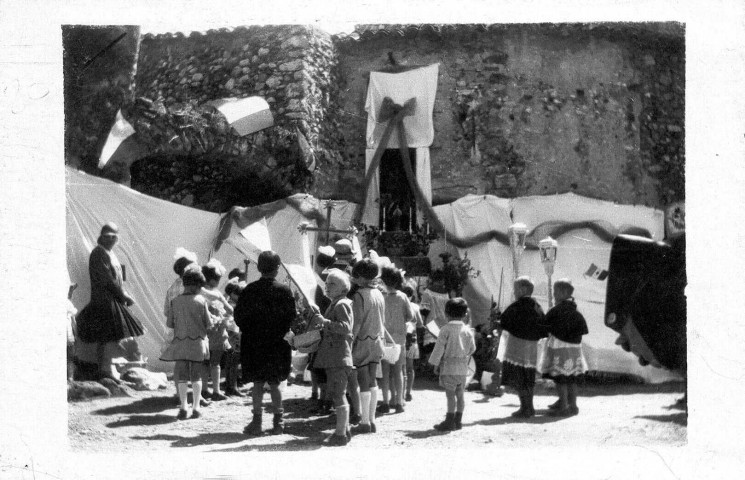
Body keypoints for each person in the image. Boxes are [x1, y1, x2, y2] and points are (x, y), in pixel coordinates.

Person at [234, 251, 297, 436]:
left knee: (258, 383)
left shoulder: (249, 290)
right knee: (275, 383)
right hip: (277, 344)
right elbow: (291, 316)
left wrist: (251, 330)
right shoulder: (285, 290)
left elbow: (239, 316)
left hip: (254, 343)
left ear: (258, 267)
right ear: (278, 268)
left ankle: (257, 422)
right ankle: (279, 422)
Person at [76, 222, 145, 381]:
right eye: (107, 236)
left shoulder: (110, 254)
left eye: (114, 237)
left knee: (110, 337)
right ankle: (105, 371)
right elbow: (107, 279)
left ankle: (107, 370)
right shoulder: (98, 253)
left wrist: (123, 294)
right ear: (101, 237)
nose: (110, 240)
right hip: (104, 301)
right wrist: (123, 296)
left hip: (112, 300)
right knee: (106, 337)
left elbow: (118, 278)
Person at [308, 269, 355, 446]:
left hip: (338, 357)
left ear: (344, 288)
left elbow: (345, 327)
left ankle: (340, 434)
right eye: (326, 283)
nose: (327, 287)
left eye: (332, 284)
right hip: (335, 357)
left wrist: (325, 322)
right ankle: (344, 430)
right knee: (338, 393)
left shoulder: (341, 304)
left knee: (338, 394)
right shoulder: (336, 303)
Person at [160, 265, 212, 420]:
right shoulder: (201, 301)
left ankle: (183, 407)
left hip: (180, 342)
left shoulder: (175, 302)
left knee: (182, 374)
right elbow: (208, 324)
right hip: (197, 342)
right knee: (196, 375)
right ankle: (196, 407)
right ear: (197, 285)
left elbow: (170, 324)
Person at [499, 276, 547, 418]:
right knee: (528, 377)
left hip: (517, 346)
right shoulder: (537, 306)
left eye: (515, 289)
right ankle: (529, 407)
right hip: (531, 347)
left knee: (519, 377)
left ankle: (525, 408)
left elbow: (504, 320)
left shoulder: (517, 306)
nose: (514, 293)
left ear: (523, 289)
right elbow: (544, 326)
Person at [539, 279, 589, 417]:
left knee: (560, 378)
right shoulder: (575, 310)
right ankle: (572, 405)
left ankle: (563, 406)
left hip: (560, 349)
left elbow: (544, 326)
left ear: (563, 293)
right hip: (575, 350)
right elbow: (583, 330)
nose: (554, 295)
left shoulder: (556, 310)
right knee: (571, 378)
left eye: (555, 292)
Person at [349, 258, 385, 434]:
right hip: (377, 340)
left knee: (362, 380)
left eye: (355, 275)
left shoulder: (359, 295)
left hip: (363, 340)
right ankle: (371, 419)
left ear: (361, 277)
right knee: (372, 380)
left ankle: (364, 422)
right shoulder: (378, 293)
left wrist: (350, 341)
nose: (353, 278)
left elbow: (357, 323)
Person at [429, 297, 476, 431]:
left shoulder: (445, 329)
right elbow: (472, 349)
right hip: (462, 368)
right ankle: (458, 421)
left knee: (450, 395)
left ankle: (449, 421)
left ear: (446, 313)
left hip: (449, 367)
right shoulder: (467, 330)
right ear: (465, 314)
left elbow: (439, 349)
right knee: (460, 395)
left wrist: (435, 364)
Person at [378, 266, 412, 414]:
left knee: (385, 373)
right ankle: (399, 401)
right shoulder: (403, 297)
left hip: (384, 339)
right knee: (398, 372)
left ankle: (385, 402)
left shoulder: (380, 296)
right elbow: (410, 316)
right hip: (400, 340)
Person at [200, 259, 233, 401]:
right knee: (215, 362)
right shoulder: (216, 293)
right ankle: (216, 390)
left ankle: (204, 389)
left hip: (205, 331)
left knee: (205, 362)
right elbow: (230, 309)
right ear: (213, 280)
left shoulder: (199, 292)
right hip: (218, 331)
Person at [419, 270, 450, 364]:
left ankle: (432, 370)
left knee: (431, 349)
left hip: (431, 323)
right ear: (442, 280)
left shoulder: (427, 292)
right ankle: (440, 369)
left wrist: (423, 322)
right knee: (442, 347)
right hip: (444, 323)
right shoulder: (446, 293)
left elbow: (424, 309)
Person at [401, 284, 423, 402]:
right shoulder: (415, 307)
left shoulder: (397, 303)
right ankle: (408, 391)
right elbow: (420, 324)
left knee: (400, 368)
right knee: (410, 368)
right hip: (412, 338)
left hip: (399, 338)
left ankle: (400, 393)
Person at [223, 279, 244, 397]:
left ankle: (229, 386)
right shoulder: (232, 305)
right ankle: (233, 387)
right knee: (234, 362)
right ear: (233, 294)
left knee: (230, 362)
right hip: (234, 336)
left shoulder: (228, 303)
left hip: (230, 336)